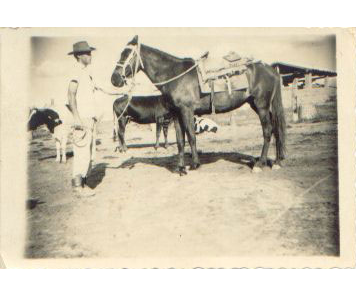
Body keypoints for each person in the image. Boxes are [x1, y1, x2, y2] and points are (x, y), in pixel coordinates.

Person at [67, 41, 127, 198]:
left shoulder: (88, 72)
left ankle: (84, 184)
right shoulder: (75, 71)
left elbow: (104, 88)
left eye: (90, 52)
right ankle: (77, 188)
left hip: (90, 119)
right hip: (82, 119)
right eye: (87, 53)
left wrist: (124, 90)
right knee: (81, 153)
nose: (90, 55)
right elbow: (70, 95)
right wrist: (76, 118)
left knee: (89, 154)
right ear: (79, 56)